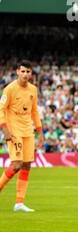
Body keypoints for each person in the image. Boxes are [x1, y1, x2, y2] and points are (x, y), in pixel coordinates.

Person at [0, 60, 44, 212]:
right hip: (14, 131)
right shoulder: (9, 89)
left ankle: (19, 203)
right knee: (16, 164)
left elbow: (35, 111)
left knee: (27, 165)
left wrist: (40, 131)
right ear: (18, 71)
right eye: (23, 71)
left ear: (31, 74)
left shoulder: (33, 89)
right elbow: (1, 109)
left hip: (28, 131)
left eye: (28, 72)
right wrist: (4, 129)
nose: (25, 74)